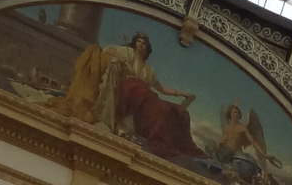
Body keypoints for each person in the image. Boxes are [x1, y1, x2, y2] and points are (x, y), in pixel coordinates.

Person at [54, 32, 203, 159]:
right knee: (151, 100)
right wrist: (124, 61)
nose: (141, 45)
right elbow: (108, 49)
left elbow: (162, 89)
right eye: (138, 41)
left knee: (173, 110)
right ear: (134, 43)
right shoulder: (128, 53)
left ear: (147, 48)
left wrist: (181, 93)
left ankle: (173, 140)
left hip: (144, 95)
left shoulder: (148, 70)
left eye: (144, 43)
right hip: (128, 92)